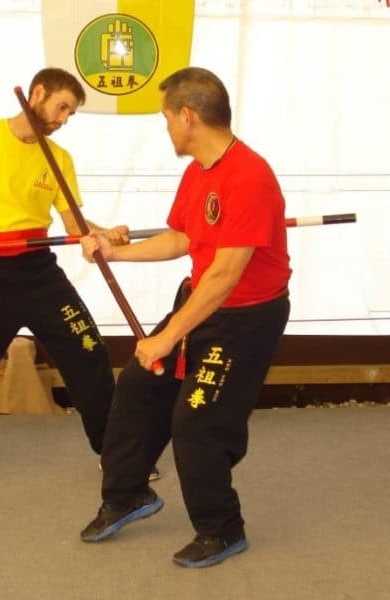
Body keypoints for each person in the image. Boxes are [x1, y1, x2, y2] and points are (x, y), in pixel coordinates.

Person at [0, 67, 160, 490]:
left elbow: (73, 223)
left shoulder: (58, 159)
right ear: (37, 93)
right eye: (61, 107)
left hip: (39, 272)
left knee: (88, 350)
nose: (63, 119)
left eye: (70, 113)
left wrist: (103, 232)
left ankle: (114, 452)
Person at [79, 67, 291, 569]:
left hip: (245, 318)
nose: (167, 127)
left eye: (167, 117)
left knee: (197, 419)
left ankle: (222, 529)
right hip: (202, 302)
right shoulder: (199, 171)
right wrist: (113, 252)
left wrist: (168, 336)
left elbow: (225, 275)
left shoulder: (250, 176)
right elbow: (183, 238)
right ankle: (129, 494)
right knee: (137, 385)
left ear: (188, 117)